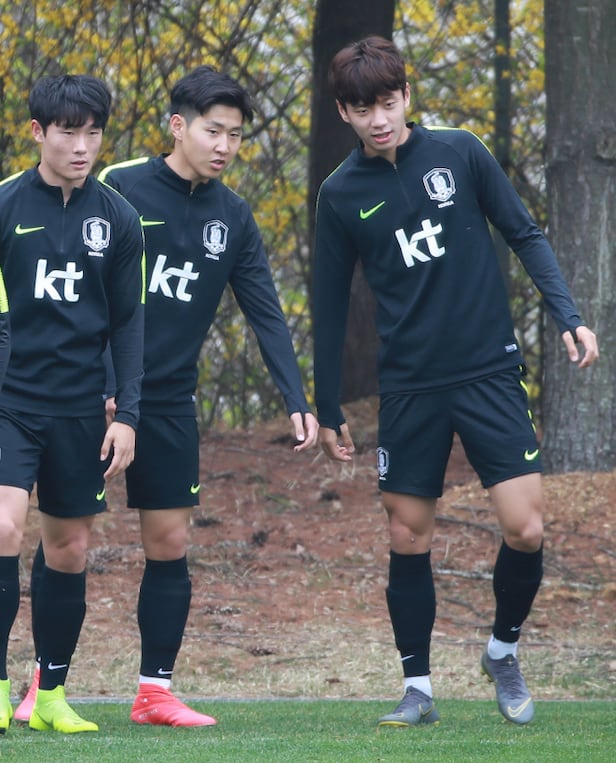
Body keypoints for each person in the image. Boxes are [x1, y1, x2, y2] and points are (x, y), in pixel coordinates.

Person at [13, 65, 317, 729]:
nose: (225, 146)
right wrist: (106, 387)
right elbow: (88, 299)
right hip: (92, 395)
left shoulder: (234, 216)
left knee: (170, 539)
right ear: (178, 126)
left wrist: (296, 395)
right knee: (66, 535)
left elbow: (265, 310)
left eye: (236, 135)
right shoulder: (118, 187)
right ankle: (42, 685)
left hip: (171, 399)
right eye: (214, 131)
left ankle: (154, 691)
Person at [312, 36, 599, 728]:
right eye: (362, 108)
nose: (379, 118)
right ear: (344, 112)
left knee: (525, 527)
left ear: (406, 96)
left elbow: (524, 232)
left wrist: (568, 314)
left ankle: (502, 651)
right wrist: (325, 402)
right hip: (410, 387)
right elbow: (328, 303)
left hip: (488, 371)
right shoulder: (340, 194)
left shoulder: (461, 152)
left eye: (388, 102)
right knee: (408, 534)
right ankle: (417, 688)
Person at [0, 74, 144, 734]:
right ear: (38, 133)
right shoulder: (6, 204)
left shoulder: (118, 218)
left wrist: (129, 415)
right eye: (68, 132)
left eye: (93, 133)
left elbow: (130, 323)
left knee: (69, 548)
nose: (82, 146)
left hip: (82, 407)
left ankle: (51, 695)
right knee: (4, 528)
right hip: (11, 400)